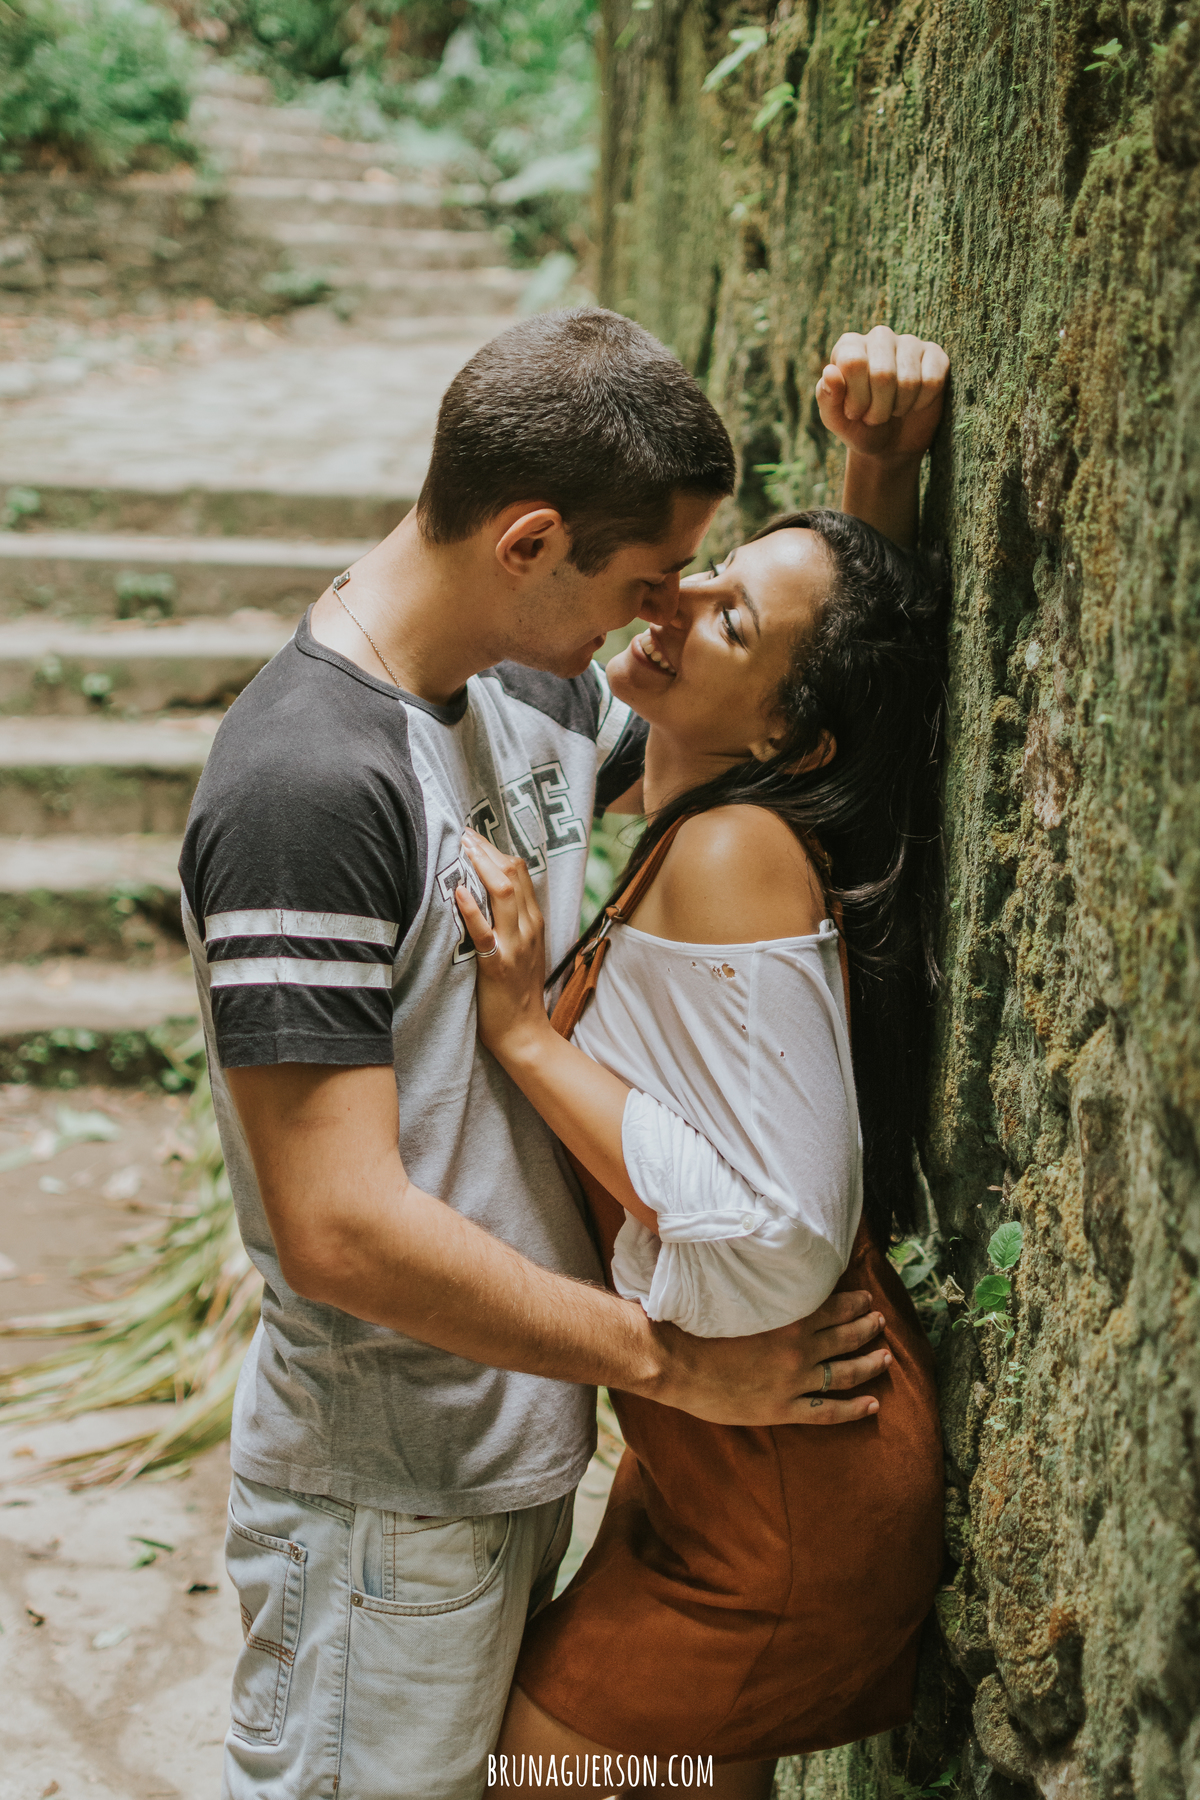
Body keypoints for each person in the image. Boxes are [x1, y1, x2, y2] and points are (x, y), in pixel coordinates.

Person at [179, 307, 936, 1800]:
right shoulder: (303, 787)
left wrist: (878, 484)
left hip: (520, 1453)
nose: (661, 616)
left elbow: (775, 711)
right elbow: (338, 1228)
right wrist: (677, 1366)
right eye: (647, 581)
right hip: (387, 1500)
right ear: (533, 545)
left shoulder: (530, 695)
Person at [458, 343, 951, 1799]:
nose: (672, 597)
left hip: (782, 1494)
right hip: (722, 1475)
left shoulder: (737, 851)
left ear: (791, 733)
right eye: (705, 568)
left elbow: (773, 1234)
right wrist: (880, 476)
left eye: (719, 609)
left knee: (528, 1777)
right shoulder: (709, 805)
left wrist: (524, 1037)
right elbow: (830, 659)